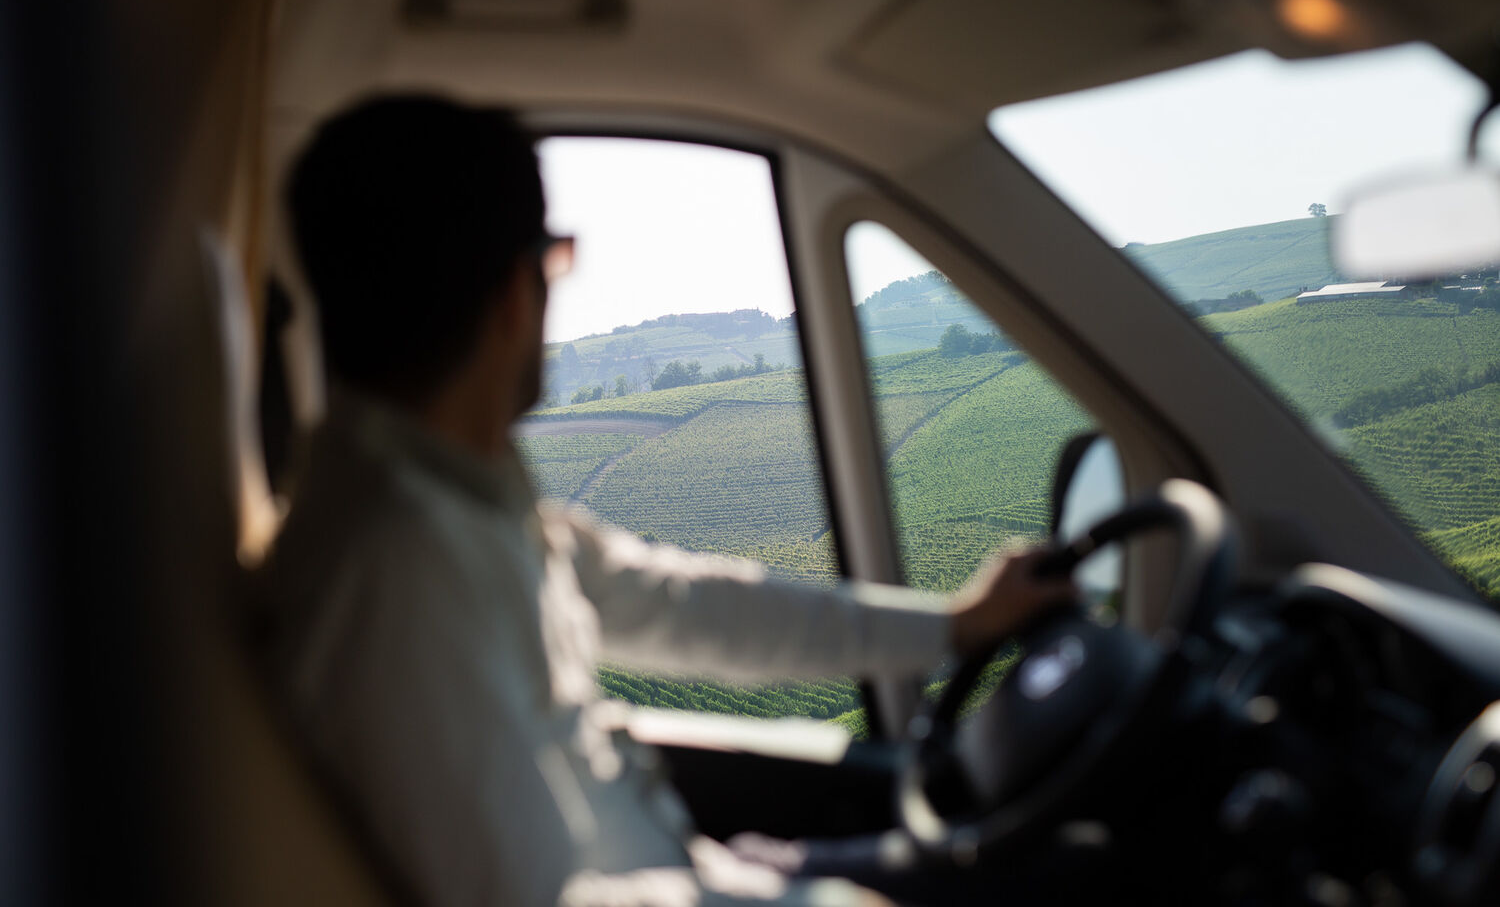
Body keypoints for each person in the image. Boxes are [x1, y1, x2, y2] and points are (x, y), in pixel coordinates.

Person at [257, 94, 1075, 907]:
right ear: (514, 293)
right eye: (556, 263)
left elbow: (685, 603)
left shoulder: (452, 495)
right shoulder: (400, 566)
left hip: (688, 869)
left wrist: (955, 625)